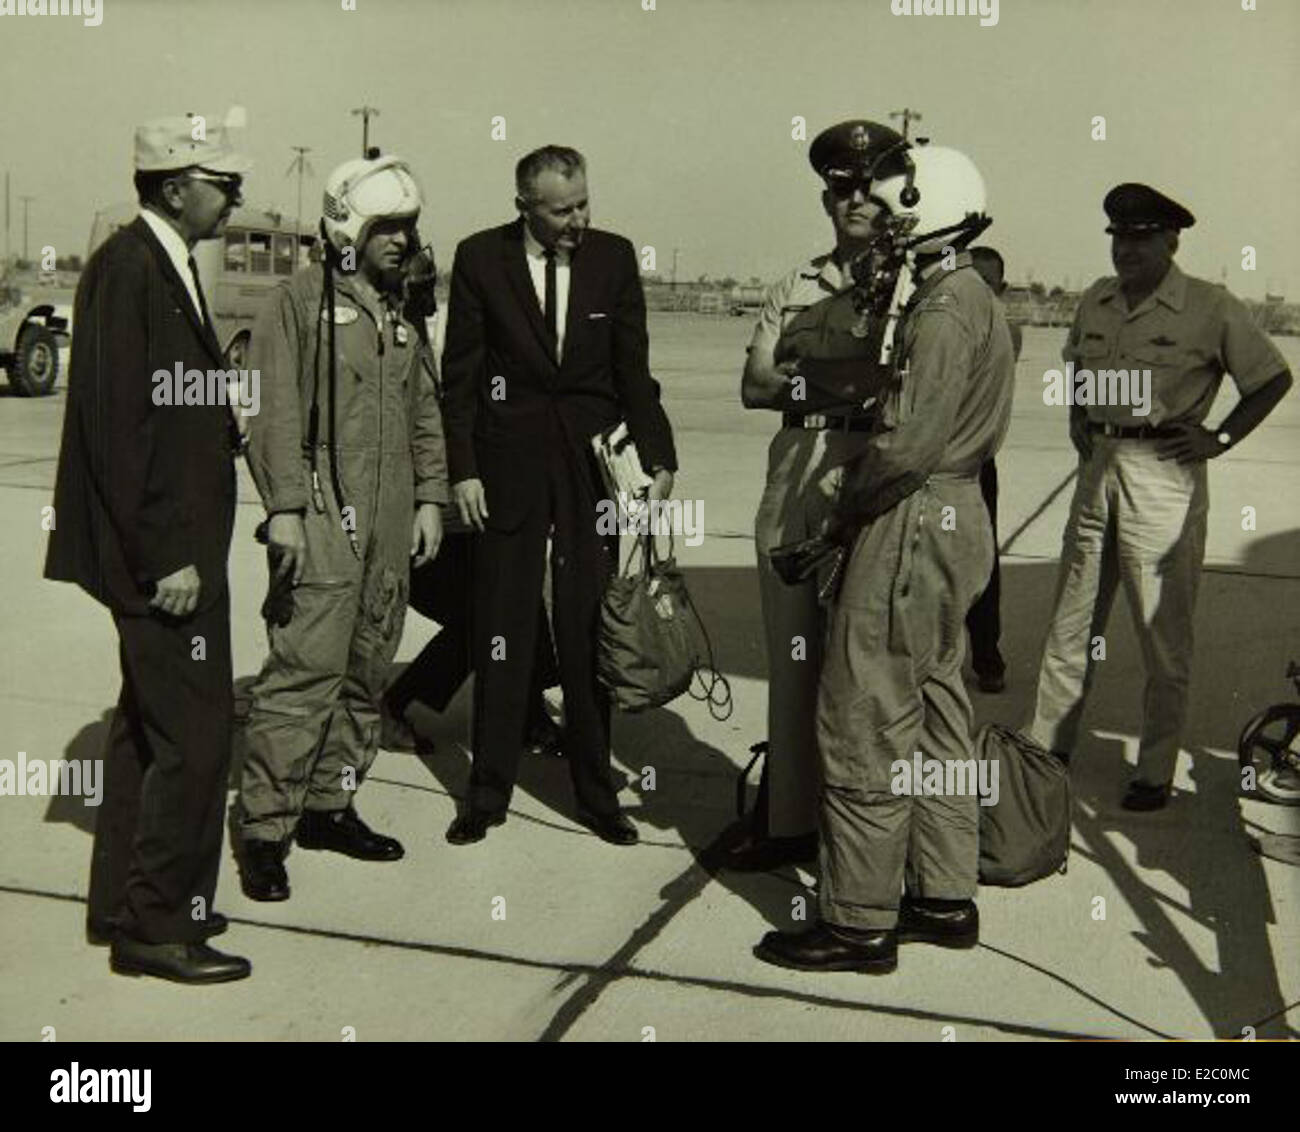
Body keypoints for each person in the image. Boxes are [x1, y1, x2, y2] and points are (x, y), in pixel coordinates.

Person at [755, 142, 1015, 973]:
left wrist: (835, 520)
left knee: (866, 712)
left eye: (901, 207)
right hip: (958, 517)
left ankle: (859, 920)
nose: (890, 222)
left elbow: (904, 448)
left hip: (909, 517)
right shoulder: (975, 297)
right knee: (938, 712)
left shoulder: (940, 311)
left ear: (924, 210)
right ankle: (943, 895)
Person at [44, 114, 252, 983]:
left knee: (143, 728)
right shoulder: (131, 269)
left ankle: (121, 907)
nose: (236, 193)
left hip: (177, 543)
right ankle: (163, 926)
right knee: (197, 738)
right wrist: (166, 554)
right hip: (168, 557)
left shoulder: (164, 264)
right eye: (222, 180)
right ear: (175, 187)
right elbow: (117, 429)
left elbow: (161, 401)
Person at [1026, 183, 1292, 812]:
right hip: (1100, 472)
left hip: (1164, 476)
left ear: (1171, 242)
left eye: (1140, 238)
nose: (1126, 249)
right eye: (1118, 237)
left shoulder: (1210, 305)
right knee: (1071, 620)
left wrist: (1219, 437)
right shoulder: (1098, 298)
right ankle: (1047, 749)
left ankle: (1153, 769)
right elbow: (1079, 368)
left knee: (1161, 634)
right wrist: (1079, 420)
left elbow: (1272, 376)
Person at [440, 144, 677, 846]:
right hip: (505, 467)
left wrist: (658, 456)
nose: (578, 219)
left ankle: (596, 794)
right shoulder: (481, 258)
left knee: (586, 625)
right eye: (561, 209)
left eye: (583, 203)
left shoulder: (613, 257)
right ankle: (486, 794)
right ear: (524, 208)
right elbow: (461, 376)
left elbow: (635, 370)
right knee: (502, 625)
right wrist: (463, 470)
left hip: (589, 466)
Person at [236, 153, 448, 901]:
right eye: (389, 227)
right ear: (349, 227)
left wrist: (430, 498)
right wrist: (285, 512)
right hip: (324, 514)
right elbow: (270, 411)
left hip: (391, 524)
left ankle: (330, 802)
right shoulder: (294, 303)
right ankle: (265, 828)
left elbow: (426, 411)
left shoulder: (403, 313)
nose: (402, 240)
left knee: (366, 672)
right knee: (303, 674)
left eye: (409, 227)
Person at [725, 119, 905, 872]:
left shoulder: (910, 284)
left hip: (866, 472)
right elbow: (752, 387)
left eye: (869, 185)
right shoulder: (795, 285)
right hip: (794, 466)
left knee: (862, 668)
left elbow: (899, 386)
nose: (854, 198)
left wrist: (813, 378)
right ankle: (790, 821)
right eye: (841, 186)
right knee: (792, 654)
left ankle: (863, 839)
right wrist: (840, 379)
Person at [964, 245, 1022, 693]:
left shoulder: (1005, 330)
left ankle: (987, 655)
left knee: (982, 560)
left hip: (974, 460)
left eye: (989, 283)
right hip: (930, 457)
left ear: (1000, 289)